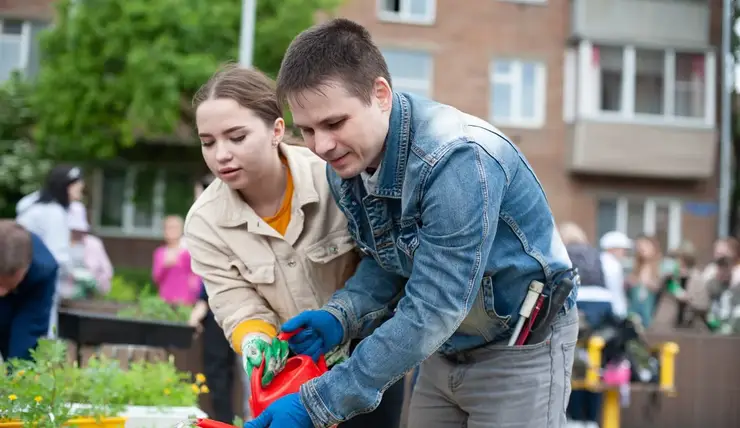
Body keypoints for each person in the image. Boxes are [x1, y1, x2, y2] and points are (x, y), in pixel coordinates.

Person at [252, 18, 580, 428]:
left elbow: (435, 303)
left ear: (381, 95)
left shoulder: (458, 159)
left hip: (518, 349)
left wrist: (318, 402)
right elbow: (390, 260)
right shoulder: (346, 165)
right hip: (443, 347)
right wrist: (341, 316)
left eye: (334, 123)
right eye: (308, 130)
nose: (321, 145)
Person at [184, 65, 404, 426]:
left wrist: (342, 324)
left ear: (277, 130)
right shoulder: (205, 222)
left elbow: (382, 265)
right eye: (208, 142)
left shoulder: (335, 177)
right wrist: (255, 338)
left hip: (369, 362)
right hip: (291, 376)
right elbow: (233, 300)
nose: (220, 154)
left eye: (236, 137)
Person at [188, 173, 238, 423]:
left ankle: (224, 422)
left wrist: (201, 304)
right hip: (233, 308)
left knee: (219, 371)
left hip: (223, 309)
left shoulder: (216, 224)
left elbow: (216, 275)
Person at [16, 164, 85, 336]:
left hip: (18, 277)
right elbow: (58, 256)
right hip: (38, 282)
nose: (80, 191)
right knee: (41, 336)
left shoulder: (32, 207)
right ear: (66, 186)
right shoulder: (54, 213)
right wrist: (75, 275)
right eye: (77, 187)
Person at [0, 220, 58, 362]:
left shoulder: (43, 269)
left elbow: (29, 330)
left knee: (22, 355)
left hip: (26, 298)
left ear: (25, 269)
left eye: (5, 284)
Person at [60, 201, 113, 299]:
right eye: (74, 229)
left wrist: (95, 281)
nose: (77, 233)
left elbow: (107, 271)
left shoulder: (93, 244)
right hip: (62, 294)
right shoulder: (59, 243)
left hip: (87, 296)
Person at [152, 215, 200, 305]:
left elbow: (196, 274)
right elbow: (156, 278)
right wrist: (165, 266)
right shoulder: (160, 252)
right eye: (169, 228)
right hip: (165, 300)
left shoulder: (189, 252)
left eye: (175, 228)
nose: (172, 231)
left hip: (185, 301)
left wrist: (193, 290)